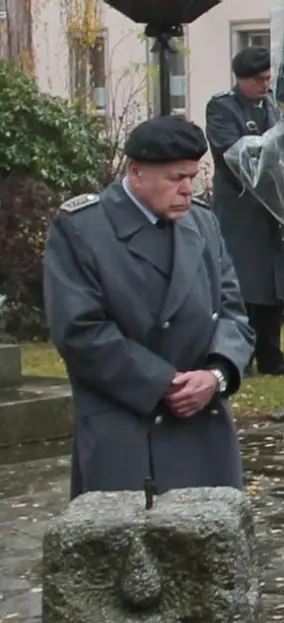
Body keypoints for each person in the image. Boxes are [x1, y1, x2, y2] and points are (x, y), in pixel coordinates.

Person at [43, 116, 256, 499]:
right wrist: (163, 383)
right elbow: (80, 331)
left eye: (192, 176)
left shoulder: (203, 225)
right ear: (137, 173)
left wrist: (217, 375)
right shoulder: (82, 231)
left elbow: (233, 314)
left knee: (208, 552)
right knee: (127, 551)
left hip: (204, 427)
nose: (188, 189)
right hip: (127, 431)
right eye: (176, 178)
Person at [205, 46, 284, 375]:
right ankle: (240, 356)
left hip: (273, 208)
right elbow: (231, 153)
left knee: (272, 286)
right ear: (241, 79)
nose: (265, 86)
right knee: (243, 284)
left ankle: (271, 355)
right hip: (242, 207)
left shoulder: (273, 107)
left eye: (268, 79)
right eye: (259, 80)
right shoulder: (222, 107)